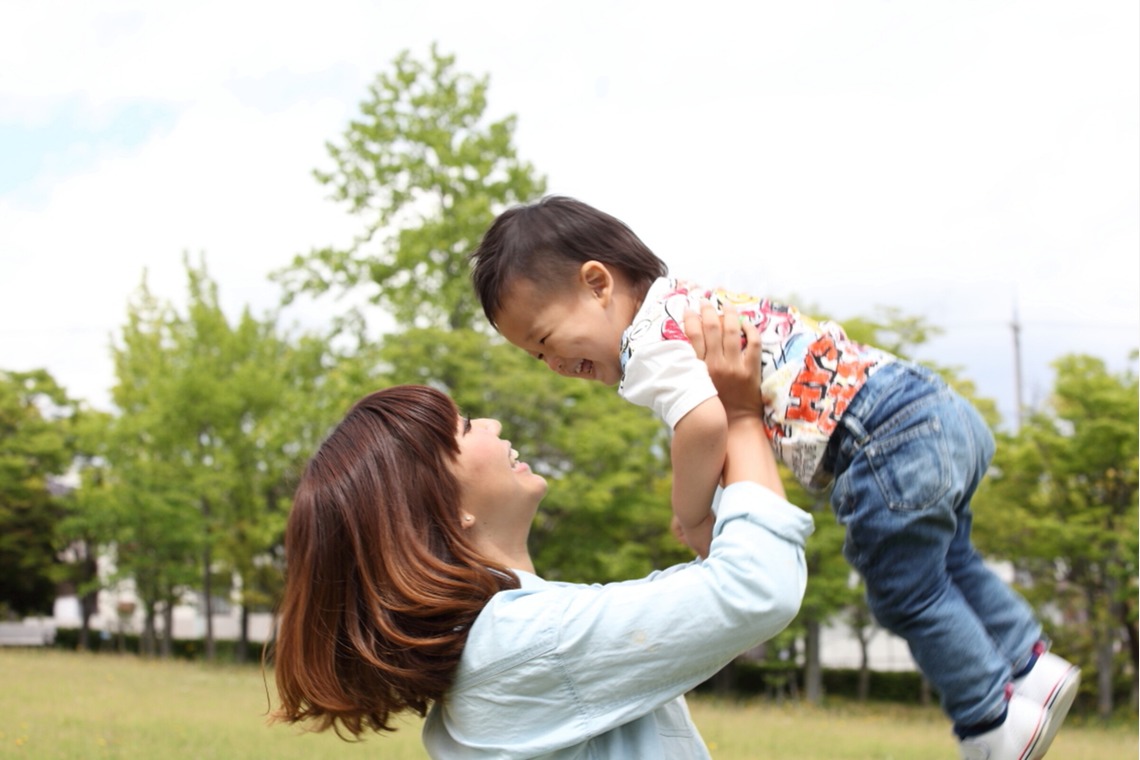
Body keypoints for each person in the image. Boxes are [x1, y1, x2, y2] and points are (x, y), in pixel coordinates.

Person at [469, 195, 1080, 760]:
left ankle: (989, 719)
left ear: (598, 283)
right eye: (536, 357)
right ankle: (1031, 667)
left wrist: (693, 512)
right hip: (929, 408)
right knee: (950, 562)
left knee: (906, 590)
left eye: (546, 339)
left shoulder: (647, 345)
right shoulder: (685, 302)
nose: (553, 364)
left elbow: (704, 422)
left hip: (881, 441)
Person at [270, 303, 816, 758]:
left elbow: (712, 588)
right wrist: (742, 417)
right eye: (465, 428)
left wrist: (706, 516)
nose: (491, 425)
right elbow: (753, 587)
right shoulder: (524, 645)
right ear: (444, 510)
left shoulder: (516, 637)